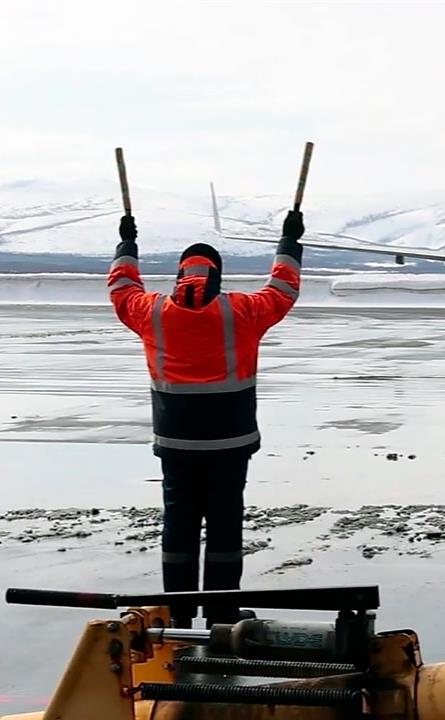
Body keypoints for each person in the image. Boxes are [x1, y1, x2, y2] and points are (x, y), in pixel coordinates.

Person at [107, 210, 304, 627]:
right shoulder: (242, 311)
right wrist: (288, 242)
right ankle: (222, 614)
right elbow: (283, 288)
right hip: (231, 442)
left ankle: (178, 614)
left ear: (180, 274)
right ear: (218, 275)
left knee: (178, 526)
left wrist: (126, 247)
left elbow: (122, 289)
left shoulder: (152, 312)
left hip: (177, 442)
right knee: (225, 527)